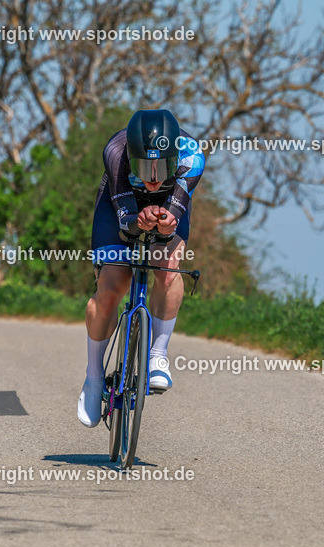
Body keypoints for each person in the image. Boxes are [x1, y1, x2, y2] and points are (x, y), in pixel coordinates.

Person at [77, 109, 205, 427]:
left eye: (162, 166)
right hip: (119, 207)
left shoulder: (193, 156)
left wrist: (167, 221)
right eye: (144, 167)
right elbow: (126, 223)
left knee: (168, 267)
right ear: (131, 157)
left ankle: (157, 354)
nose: (153, 177)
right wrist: (136, 220)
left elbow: (174, 215)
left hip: (169, 203)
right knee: (111, 288)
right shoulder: (115, 151)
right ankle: (94, 377)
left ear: (175, 157)